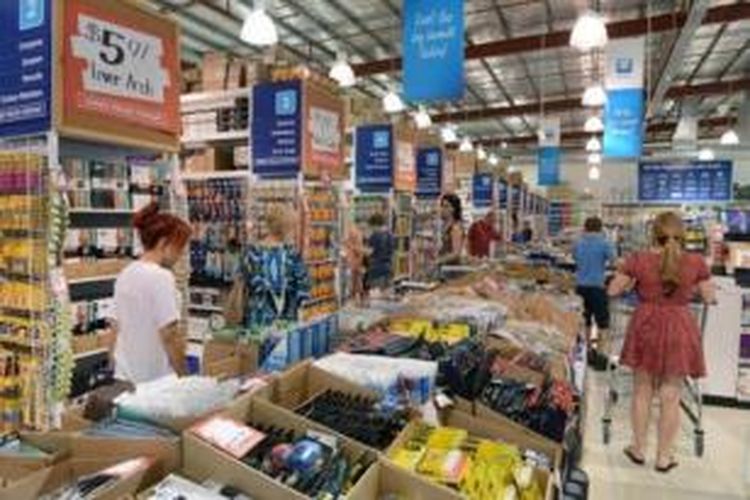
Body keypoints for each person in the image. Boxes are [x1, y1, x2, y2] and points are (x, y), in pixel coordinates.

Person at [608, 212, 714, 473]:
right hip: (680, 326)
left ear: (652, 234)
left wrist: (631, 281)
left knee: (642, 390)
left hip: (646, 325)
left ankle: (638, 448)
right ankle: (665, 457)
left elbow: (613, 290)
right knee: (671, 394)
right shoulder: (696, 262)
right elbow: (709, 297)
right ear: (683, 235)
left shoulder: (638, 260)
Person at [113, 202, 192, 385]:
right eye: (179, 248)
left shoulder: (126, 273)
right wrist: (184, 377)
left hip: (125, 377)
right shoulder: (161, 277)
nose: (180, 255)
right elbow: (169, 334)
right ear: (164, 244)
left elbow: (115, 328)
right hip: (155, 382)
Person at [234, 205, 310, 328]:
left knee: (256, 347)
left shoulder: (251, 254)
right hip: (286, 324)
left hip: (256, 322)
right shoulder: (292, 255)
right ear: (287, 228)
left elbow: (242, 284)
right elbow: (304, 291)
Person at [574, 217, 615, 369]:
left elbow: (576, 259)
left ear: (585, 227)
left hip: (580, 287)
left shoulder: (578, 243)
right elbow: (614, 261)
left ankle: (586, 353)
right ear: (600, 228)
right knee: (602, 323)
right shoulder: (605, 243)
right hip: (598, 286)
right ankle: (600, 356)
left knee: (585, 320)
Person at [365, 212, 394, 291]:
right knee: (387, 295)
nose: (371, 229)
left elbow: (369, 252)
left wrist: (360, 249)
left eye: (372, 226)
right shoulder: (390, 234)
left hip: (376, 270)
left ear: (375, 225)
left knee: (376, 298)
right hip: (388, 269)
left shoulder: (374, 236)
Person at [342, 219, 365, 304]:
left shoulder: (355, 234)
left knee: (355, 279)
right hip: (355, 260)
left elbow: (358, 249)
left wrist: (348, 245)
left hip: (354, 260)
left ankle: (356, 298)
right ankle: (357, 298)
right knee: (356, 279)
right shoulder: (357, 233)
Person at [438, 193, 464, 265]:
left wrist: (438, 260)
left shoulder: (455, 228)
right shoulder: (445, 226)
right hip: (445, 267)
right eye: (442, 206)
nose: (442, 209)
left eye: (446, 206)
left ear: (453, 209)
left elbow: (456, 253)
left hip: (452, 269)